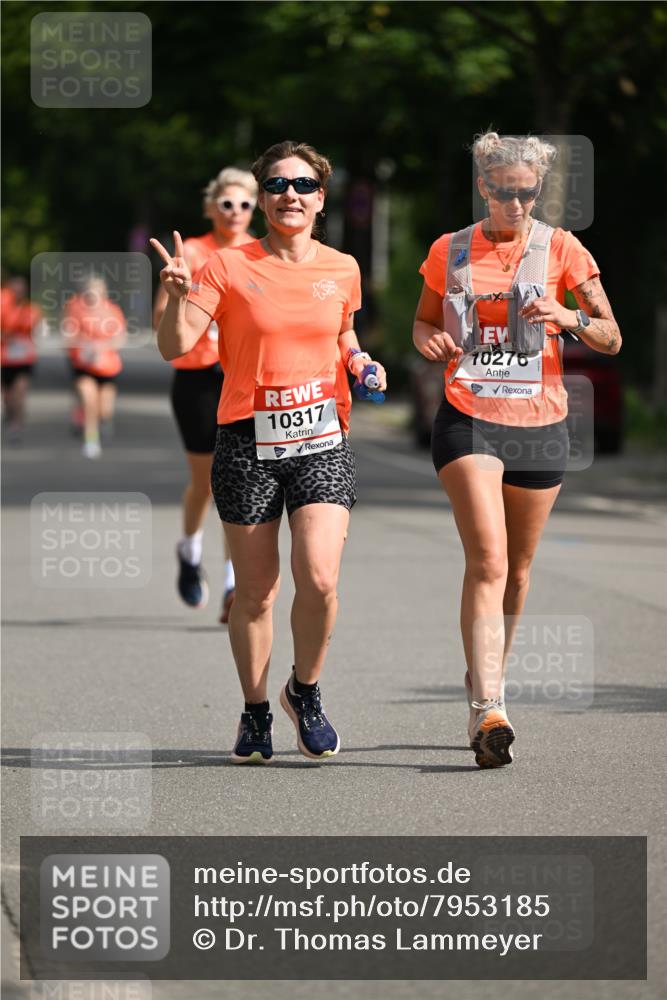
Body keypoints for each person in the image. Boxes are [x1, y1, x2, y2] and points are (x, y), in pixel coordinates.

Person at [152, 140, 386, 764]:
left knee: (320, 576)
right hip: (246, 441)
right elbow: (177, 348)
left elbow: (343, 333)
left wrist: (361, 362)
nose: (291, 195)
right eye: (278, 185)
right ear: (264, 198)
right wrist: (176, 292)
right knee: (255, 593)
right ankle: (255, 711)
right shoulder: (228, 266)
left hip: (321, 439)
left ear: (321, 198)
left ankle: (303, 691)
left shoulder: (342, 267)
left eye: (304, 185)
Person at [413, 131, 621, 769]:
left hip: (541, 422)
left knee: (519, 570)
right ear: (484, 188)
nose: (517, 204)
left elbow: (611, 336)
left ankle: (487, 683)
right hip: (469, 417)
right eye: (505, 193)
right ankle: (490, 709)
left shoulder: (564, 249)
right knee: (489, 558)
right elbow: (423, 322)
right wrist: (428, 342)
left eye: (528, 194)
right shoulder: (449, 250)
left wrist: (570, 319)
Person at [153, 167, 258, 621]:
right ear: (211, 207)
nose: (235, 212)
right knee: (206, 482)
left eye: (244, 204)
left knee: (239, 483)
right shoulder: (192, 252)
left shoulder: (261, 253)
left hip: (246, 379)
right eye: (227, 204)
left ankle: (235, 584)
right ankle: (190, 549)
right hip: (198, 378)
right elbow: (164, 325)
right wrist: (178, 297)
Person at [63, 276, 126, 459]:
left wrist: (102, 346)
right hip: (83, 365)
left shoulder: (113, 311)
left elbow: (120, 338)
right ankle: (91, 440)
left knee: (104, 409)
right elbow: (68, 334)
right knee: (89, 400)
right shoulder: (76, 308)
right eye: (90, 290)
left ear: (104, 292)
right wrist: (83, 345)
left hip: (107, 366)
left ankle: (101, 420)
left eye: (97, 290)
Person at [1, 276, 43, 442]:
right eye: (15, 290)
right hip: (5, 359)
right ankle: (10, 413)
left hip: (24, 359)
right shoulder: (3, 306)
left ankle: (17, 424)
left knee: (20, 391)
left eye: (21, 290)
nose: (18, 293)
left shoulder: (33, 310)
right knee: (8, 396)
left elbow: (38, 332)